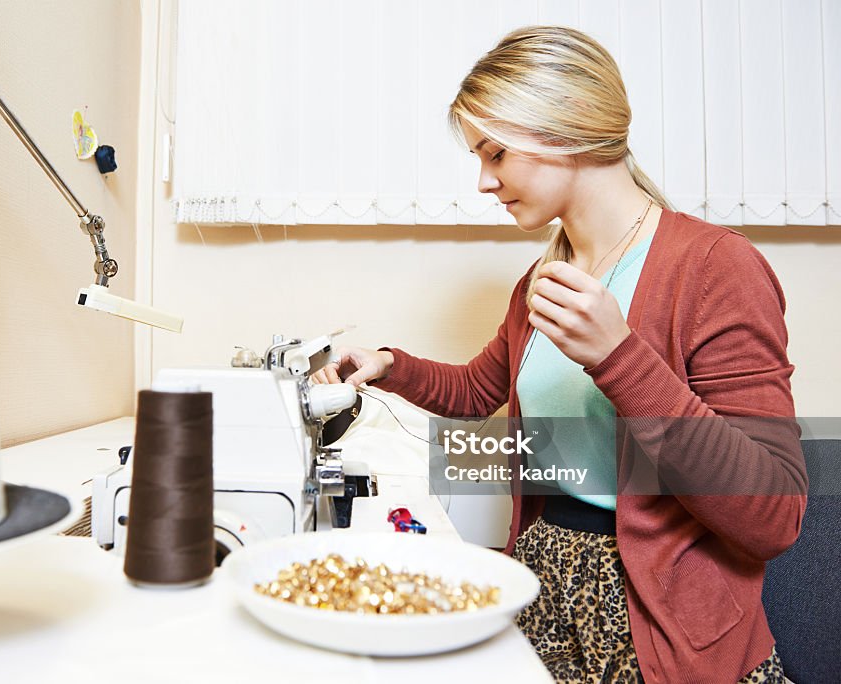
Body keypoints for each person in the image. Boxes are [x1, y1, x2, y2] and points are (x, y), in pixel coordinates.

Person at [312, 26, 807, 684]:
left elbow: (770, 513)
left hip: (664, 626)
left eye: (495, 154)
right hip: (547, 593)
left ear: (567, 131)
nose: (484, 182)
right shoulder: (545, 277)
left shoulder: (715, 267)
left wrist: (620, 357)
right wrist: (391, 366)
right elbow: (477, 390)